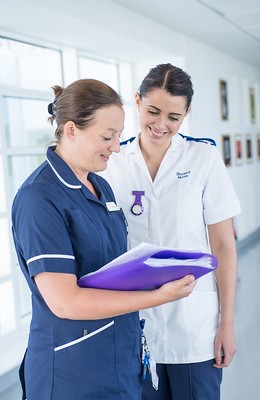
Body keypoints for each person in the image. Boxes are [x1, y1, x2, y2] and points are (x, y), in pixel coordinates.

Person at [11, 78, 196, 400]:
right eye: (107, 137)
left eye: (119, 136)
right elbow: (65, 302)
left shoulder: (100, 186)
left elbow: (108, 268)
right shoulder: (38, 198)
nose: (115, 146)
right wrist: (160, 296)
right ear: (71, 130)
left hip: (118, 353)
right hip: (72, 369)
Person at [101, 64, 241, 400]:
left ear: (187, 114)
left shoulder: (203, 158)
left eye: (174, 117)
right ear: (136, 101)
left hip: (194, 325)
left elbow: (223, 245)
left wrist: (226, 324)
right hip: (132, 321)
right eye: (152, 111)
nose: (161, 125)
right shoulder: (111, 162)